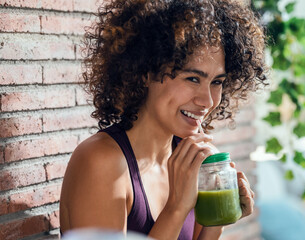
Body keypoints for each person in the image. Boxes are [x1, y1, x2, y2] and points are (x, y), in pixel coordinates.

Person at [60, 0, 267, 239]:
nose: (208, 100)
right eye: (192, 79)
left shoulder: (190, 160)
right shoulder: (101, 161)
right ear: (146, 72)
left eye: (217, 82)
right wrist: (177, 207)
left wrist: (218, 217)